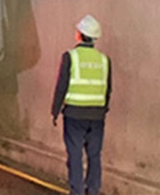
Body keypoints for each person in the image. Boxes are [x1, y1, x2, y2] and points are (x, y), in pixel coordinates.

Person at [52, 15, 111, 195]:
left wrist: (55, 111)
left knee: (75, 155)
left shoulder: (70, 57)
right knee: (94, 155)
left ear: (79, 35)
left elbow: (61, 85)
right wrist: (103, 110)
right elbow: (108, 89)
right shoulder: (104, 60)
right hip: (97, 116)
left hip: (74, 115)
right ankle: (93, 190)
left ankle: (76, 191)